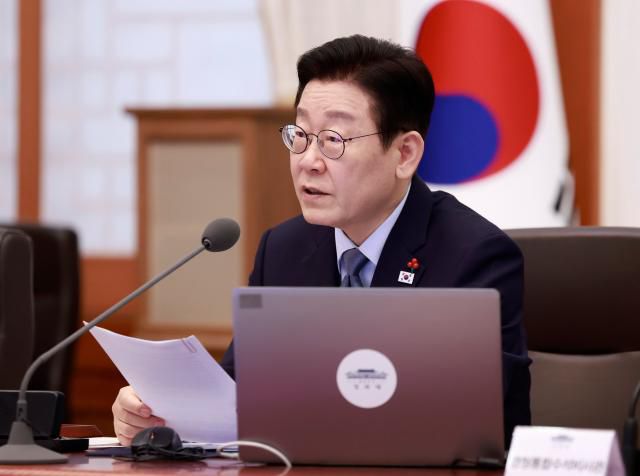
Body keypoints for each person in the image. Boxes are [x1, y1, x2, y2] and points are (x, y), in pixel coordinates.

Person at [112, 34, 531, 447]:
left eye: (333, 140)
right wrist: (160, 411)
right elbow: (237, 397)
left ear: (405, 154)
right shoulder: (284, 249)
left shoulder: (473, 256)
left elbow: (476, 424)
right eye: (300, 135)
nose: (308, 161)